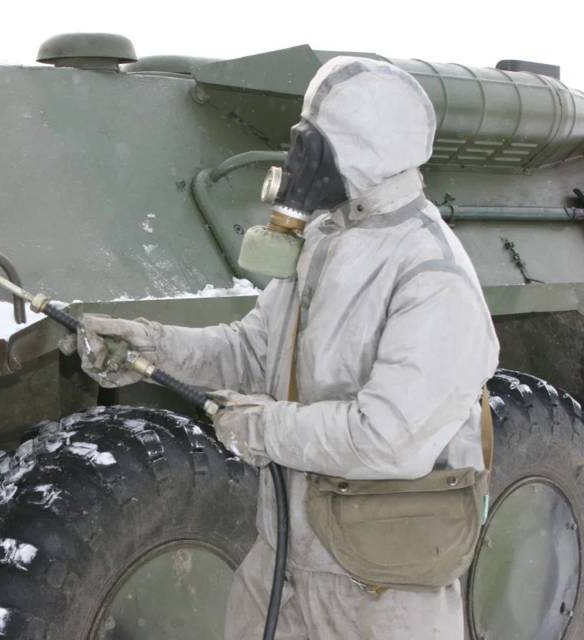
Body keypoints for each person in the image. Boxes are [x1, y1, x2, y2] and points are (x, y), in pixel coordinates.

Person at [66, 57, 499, 639]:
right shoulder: (327, 237)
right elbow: (253, 350)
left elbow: (386, 441)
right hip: (284, 561)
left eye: (312, 145)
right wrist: (153, 345)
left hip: (379, 586)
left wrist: (261, 428)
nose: (295, 161)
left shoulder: (431, 276)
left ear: (365, 150)